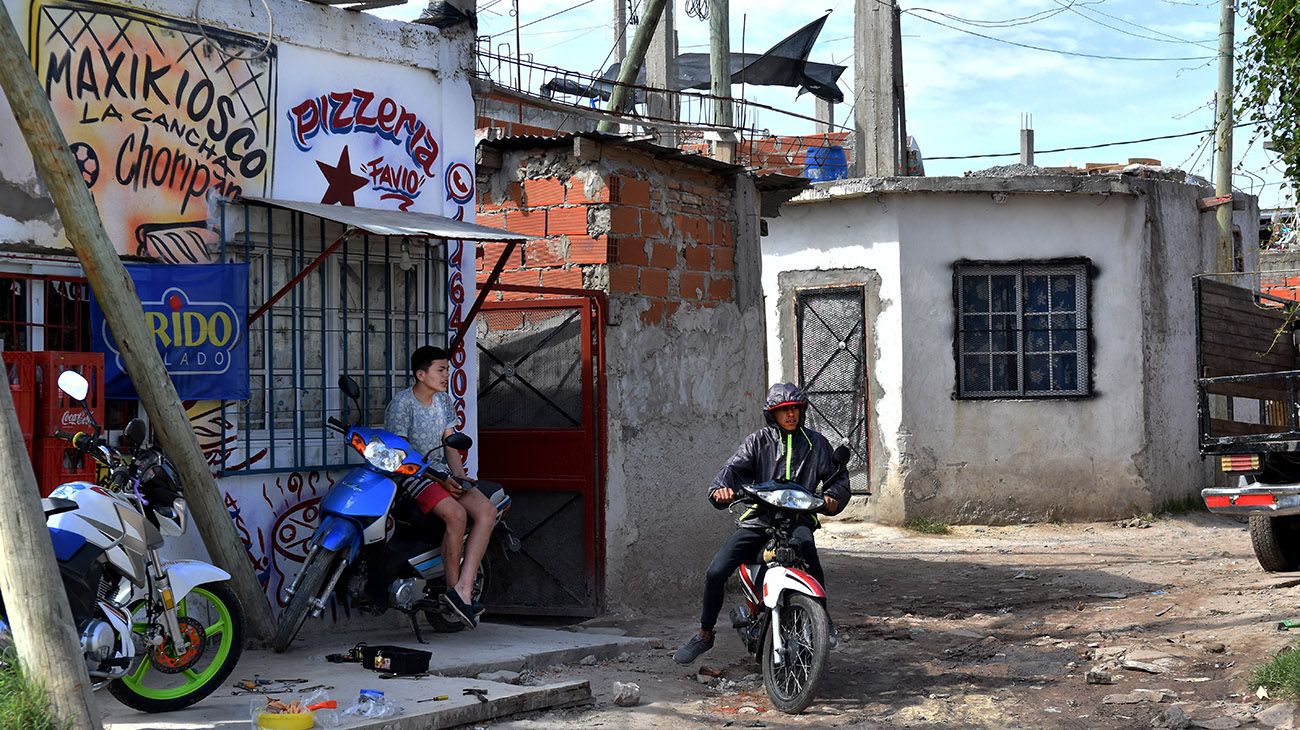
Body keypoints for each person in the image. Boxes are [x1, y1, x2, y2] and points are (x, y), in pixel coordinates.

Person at [673, 382, 851, 665]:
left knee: (810, 556)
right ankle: (705, 634)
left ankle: (823, 622)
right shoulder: (758, 441)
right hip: (759, 519)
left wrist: (832, 497)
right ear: (773, 415)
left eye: (794, 409)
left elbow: (837, 479)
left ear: (801, 411)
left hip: (798, 519)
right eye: (783, 411)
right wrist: (722, 489)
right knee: (716, 571)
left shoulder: (817, 443)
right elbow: (731, 470)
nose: (790, 415)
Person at [384, 345, 498, 627]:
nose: (447, 374)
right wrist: (441, 478)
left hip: (445, 475)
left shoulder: (444, 401)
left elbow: (450, 444)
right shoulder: (402, 404)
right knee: (457, 515)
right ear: (421, 374)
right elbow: (401, 454)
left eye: (447, 369)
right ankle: (451, 589)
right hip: (414, 477)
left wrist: (459, 478)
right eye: (441, 369)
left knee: (486, 512)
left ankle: (464, 589)